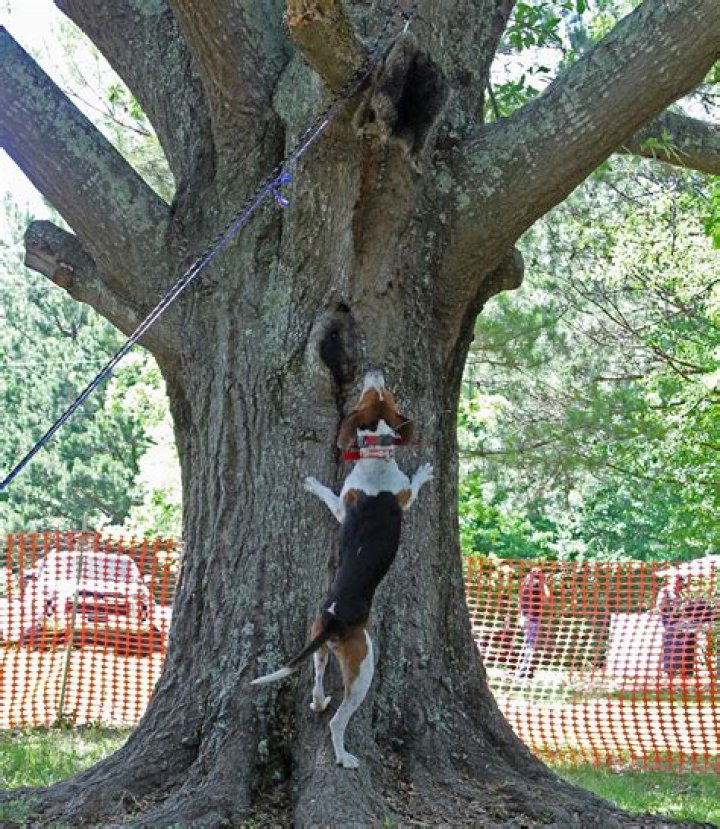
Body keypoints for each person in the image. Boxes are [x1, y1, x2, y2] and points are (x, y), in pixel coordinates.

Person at [656, 575, 696, 680]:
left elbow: (685, 608)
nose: (680, 585)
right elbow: (659, 607)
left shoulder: (680, 593)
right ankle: (668, 672)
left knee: (690, 638)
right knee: (671, 644)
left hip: (681, 622)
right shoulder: (665, 591)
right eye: (678, 582)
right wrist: (672, 606)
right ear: (673, 581)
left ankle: (687, 671)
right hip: (669, 622)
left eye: (681, 582)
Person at [514, 566, 549, 680]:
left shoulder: (525, 584)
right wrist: (544, 584)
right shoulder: (538, 586)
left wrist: (521, 616)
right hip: (532, 618)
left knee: (528, 644)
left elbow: (520, 601)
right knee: (530, 645)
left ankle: (527, 670)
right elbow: (547, 597)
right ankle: (524, 671)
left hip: (525, 618)